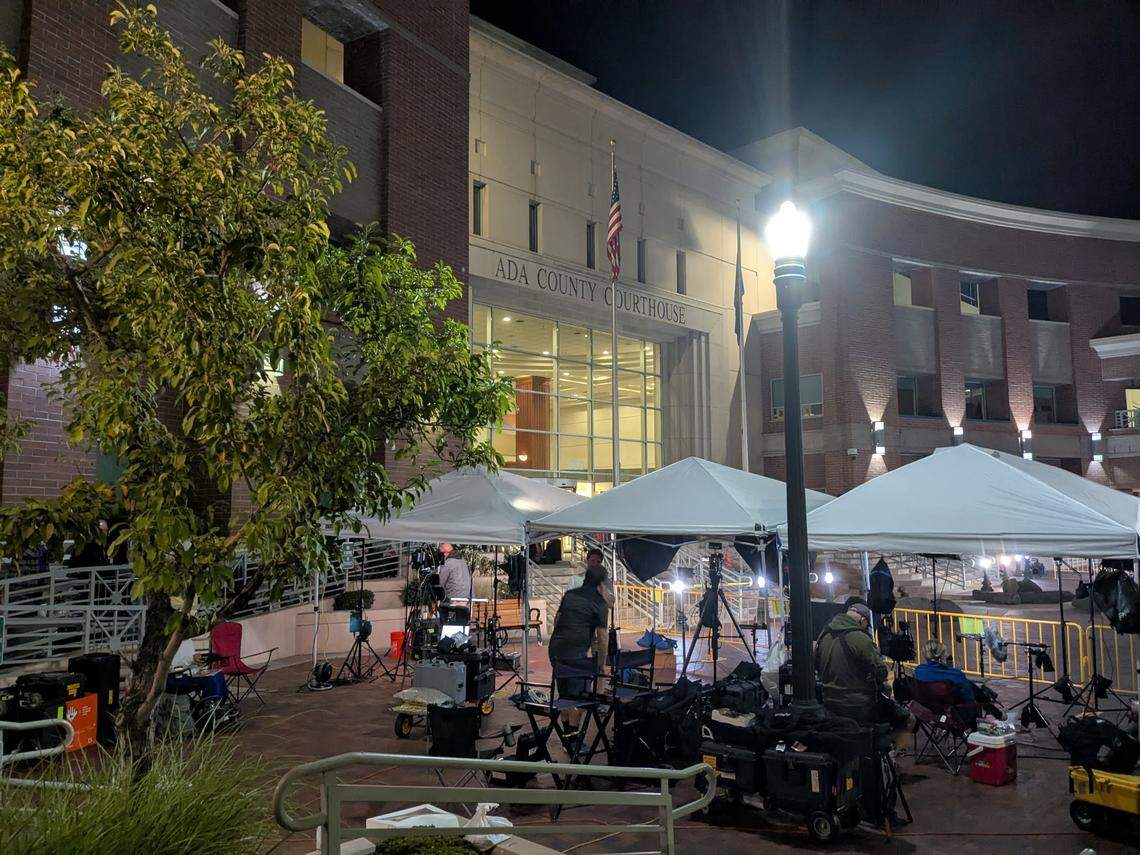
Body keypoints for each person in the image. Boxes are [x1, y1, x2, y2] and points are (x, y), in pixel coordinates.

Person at [548, 551, 611, 728]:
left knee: (564, 696)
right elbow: (603, 637)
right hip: (576, 653)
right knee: (580, 699)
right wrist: (601, 663)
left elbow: (556, 620)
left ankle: (568, 736)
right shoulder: (599, 603)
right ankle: (574, 742)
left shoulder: (570, 595)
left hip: (556, 650)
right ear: (600, 583)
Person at [814, 602, 888, 724]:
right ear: (863, 620)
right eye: (866, 625)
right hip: (857, 704)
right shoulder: (860, 638)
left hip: (829, 701)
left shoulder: (824, 635)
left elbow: (816, 664)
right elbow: (880, 672)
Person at [914, 639, 978, 728]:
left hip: (928, 712)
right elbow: (969, 699)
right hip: (952, 715)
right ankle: (995, 712)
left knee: (968, 687)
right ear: (942, 653)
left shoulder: (918, 671)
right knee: (972, 688)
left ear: (925, 654)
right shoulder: (955, 674)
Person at [437, 542, 473, 624]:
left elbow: (440, 582)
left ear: (445, 553)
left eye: (440, 553)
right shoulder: (462, 560)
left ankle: (444, 628)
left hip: (453, 599)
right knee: (461, 623)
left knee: (441, 607)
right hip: (466, 599)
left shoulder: (448, 563)